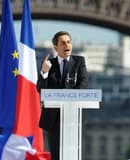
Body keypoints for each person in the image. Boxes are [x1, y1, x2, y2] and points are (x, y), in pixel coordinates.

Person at [37, 31, 88, 160]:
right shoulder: (48, 64)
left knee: (72, 153)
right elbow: (41, 89)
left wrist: (70, 97)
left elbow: (83, 83)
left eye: (69, 42)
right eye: (63, 43)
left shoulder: (79, 61)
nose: (67, 45)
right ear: (55, 47)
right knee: (56, 154)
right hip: (53, 118)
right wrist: (44, 72)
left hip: (72, 116)